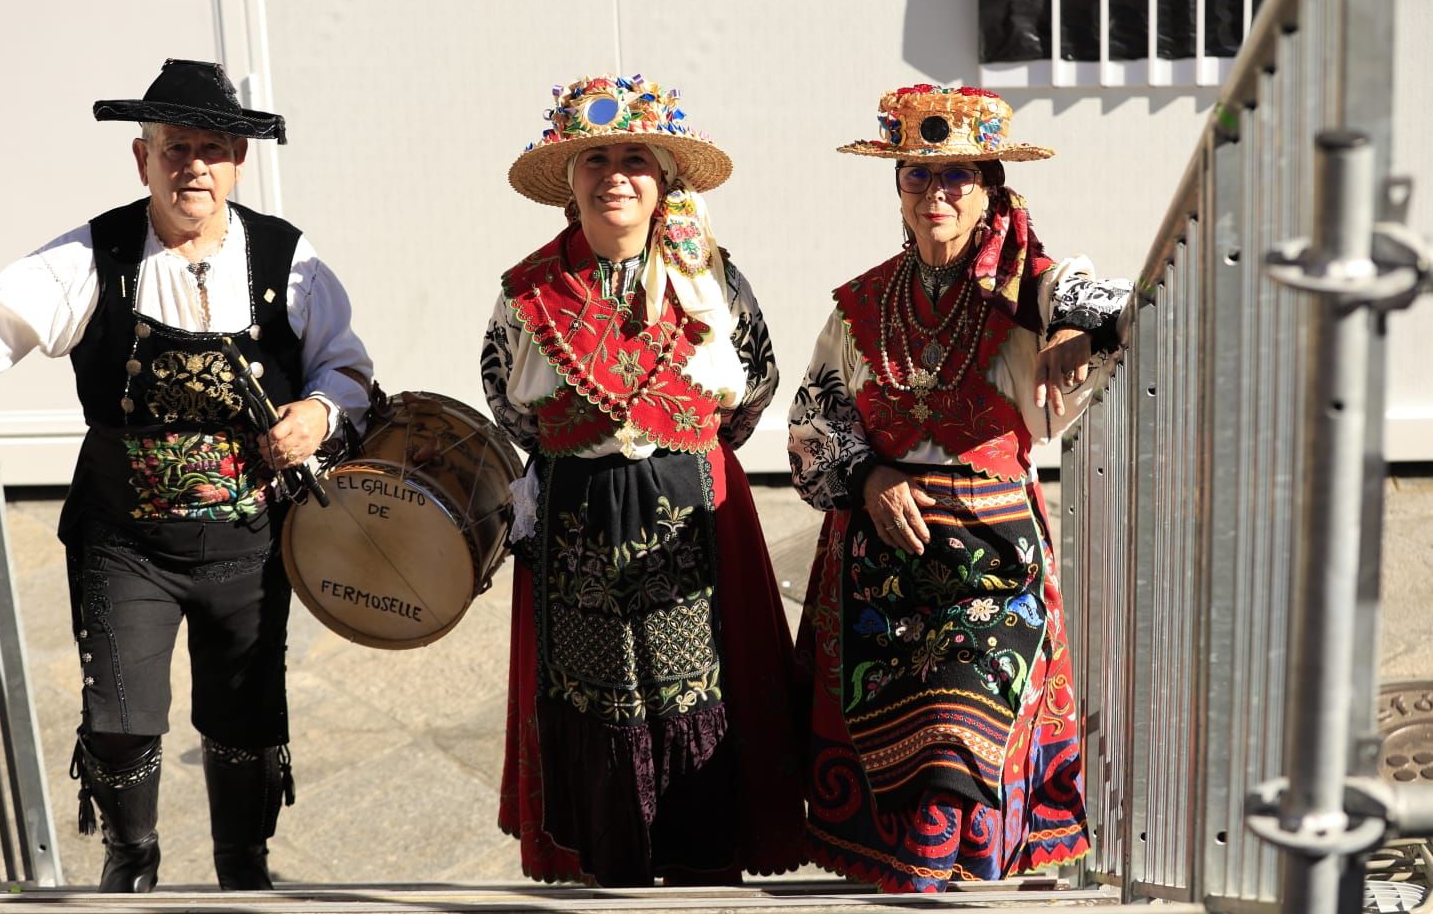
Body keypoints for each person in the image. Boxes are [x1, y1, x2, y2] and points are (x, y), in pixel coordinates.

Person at [0, 59, 373, 892]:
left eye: (211, 148)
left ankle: (245, 872)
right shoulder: (91, 255)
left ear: (239, 159)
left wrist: (316, 414)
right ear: (143, 160)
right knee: (122, 722)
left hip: (251, 539)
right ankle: (129, 862)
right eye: (175, 148)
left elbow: (346, 371)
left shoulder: (288, 257)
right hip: (124, 539)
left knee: (244, 722)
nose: (193, 167)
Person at [787, 84, 1130, 892]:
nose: (936, 195)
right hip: (881, 554)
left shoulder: (1036, 291)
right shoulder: (861, 304)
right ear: (897, 187)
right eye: (917, 176)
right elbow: (813, 418)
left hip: (991, 551)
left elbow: (1127, 308)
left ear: (990, 189)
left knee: (955, 740)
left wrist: (1076, 328)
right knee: (891, 753)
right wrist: (868, 476)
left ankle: (938, 887)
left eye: (958, 178)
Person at [484, 73, 806, 886]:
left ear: (665, 180)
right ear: (571, 182)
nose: (615, 176)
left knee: (700, 689)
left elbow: (753, 389)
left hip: (691, 511)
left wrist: (670, 447)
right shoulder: (528, 293)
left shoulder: (715, 282)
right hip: (575, 522)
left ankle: (702, 865)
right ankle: (611, 865)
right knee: (591, 694)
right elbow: (504, 400)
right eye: (595, 159)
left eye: (635, 158)